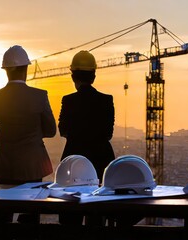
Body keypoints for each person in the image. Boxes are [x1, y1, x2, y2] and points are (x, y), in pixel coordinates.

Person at [0, 45, 56, 224]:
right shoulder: (39, 96)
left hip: (5, 164)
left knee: (1, 217)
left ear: (6, 71)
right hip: (32, 165)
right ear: (26, 69)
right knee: (30, 217)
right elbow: (50, 130)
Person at [58, 50, 115, 225]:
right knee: (97, 217)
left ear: (73, 76)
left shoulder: (68, 100)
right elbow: (108, 133)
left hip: (73, 162)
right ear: (93, 75)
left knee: (70, 218)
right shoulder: (106, 100)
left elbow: (63, 130)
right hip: (101, 161)